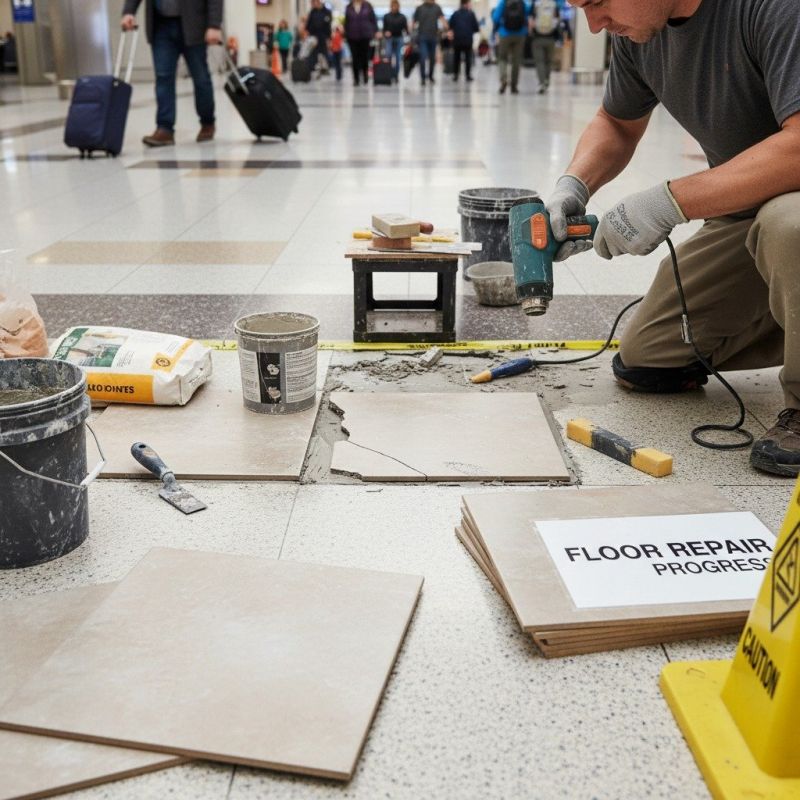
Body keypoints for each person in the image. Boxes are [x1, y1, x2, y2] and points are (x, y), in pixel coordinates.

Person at [549, 0, 800, 476]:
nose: (594, 24)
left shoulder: (776, 9)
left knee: (790, 225)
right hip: (747, 215)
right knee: (652, 358)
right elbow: (617, 123)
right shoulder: (638, 32)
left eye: (597, 2)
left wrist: (670, 202)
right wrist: (574, 185)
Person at [121, 0, 222, 147]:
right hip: (161, 25)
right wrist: (128, 11)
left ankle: (207, 122)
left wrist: (214, 25)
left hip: (193, 24)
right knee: (163, 77)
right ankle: (165, 128)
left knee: (201, 78)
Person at [491, 0, 530, 94]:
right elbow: (527, 14)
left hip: (505, 33)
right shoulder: (523, 2)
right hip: (520, 34)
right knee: (516, 60)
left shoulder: (503, 2)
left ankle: (503, 80)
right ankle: (514, 86)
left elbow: (495, 17)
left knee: (502, 58)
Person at [413, 0, 446, 86]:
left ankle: (431, 76)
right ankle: (423, 78)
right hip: (422, 37)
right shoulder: (419, 8)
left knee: (432, 58)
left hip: (433, 36)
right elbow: (414, 22)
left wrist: (447, 28)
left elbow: (442, 19)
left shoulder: (437, 7)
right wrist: (411, 33)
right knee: (423, 57)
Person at [344, 0, 377, 85]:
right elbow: (346, 22)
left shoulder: (368, 6)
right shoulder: (349, 7)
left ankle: (365, 75)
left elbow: (373, 20)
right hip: (352, 36)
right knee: (355, 58)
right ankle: (356, 78)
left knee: (365, 57)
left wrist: (374, 31)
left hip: (365, 36)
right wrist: (346, 34)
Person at [530, 0, 559, 93]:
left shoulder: (535, 4)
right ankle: (546, 80)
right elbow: (557, 20)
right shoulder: (554, 4)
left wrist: (531, 33)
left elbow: (531, 20)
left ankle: (542, 82)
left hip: (538, 38)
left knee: (540, 61)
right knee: (548, 61)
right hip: (551, 38)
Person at [448, 0, 479, 82]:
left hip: (457, 40)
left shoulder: (455, 14)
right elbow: (476, 28)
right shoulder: (471, 14)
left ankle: (455, 75)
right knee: (468, 58)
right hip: (468, 40)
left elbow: (450, 26)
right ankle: (468, 75)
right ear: (467, 4)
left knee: (456, 58)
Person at [382, 0, 409, 81]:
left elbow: (406, 30)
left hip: (399, 38)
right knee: (388, 55)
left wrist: (408, 38)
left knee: (398, 58)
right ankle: (389, 73)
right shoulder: (386, 16)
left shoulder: (402, 17)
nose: (394, 7)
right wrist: (385, 33)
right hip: (389, 39)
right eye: (393, 6)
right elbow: (384, 29)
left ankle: (396, 75)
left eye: (395, 5)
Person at [306, 0, 333, 74]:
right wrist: (311, 35)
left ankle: (325, 68)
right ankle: (312, 68)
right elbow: (308, 25)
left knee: (325, 53)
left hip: (324, 36)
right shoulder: (312, 12)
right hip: (314, 37)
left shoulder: (327, 12)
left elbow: (328, 26)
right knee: (313, 53)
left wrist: (328, 38)